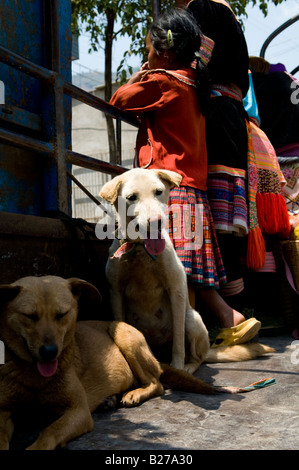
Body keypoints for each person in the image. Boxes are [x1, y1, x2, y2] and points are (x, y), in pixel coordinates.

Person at [109, 8, 260, 347]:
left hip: (171, 194)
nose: (146, 55)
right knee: (187, 273)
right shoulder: (196, 84)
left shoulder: (163, 81)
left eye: (148, 48)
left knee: (179, 276)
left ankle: (192, 344)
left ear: (163, 51)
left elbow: (118, 100)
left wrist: (140, 74)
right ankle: (224, 320)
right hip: (195, 193)